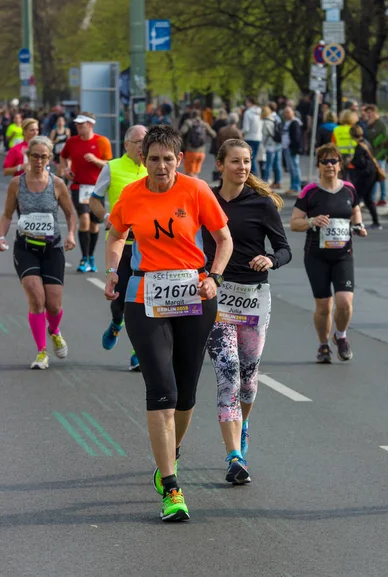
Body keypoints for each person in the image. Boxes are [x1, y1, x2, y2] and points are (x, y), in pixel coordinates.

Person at [104, 125, 233, 521]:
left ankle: (169, 453)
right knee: (161, 388)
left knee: (186, 391)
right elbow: (115, 235)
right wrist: (113, 271)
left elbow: (223, 238)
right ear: (144, 159)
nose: (161, 166)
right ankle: (171, 485)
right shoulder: (131, 194)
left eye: (168, 158)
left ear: (180, 159)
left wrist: (215, 276)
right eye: (154, 158)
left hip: (194, 293)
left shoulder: (195, 190)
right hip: (144, 297)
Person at [202, 139, 291, 484]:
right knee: (228, 374)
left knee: (248, 382)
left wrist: (270, 259)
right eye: (236, 161)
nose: (242, 167)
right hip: (218, 297)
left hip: (254, 298)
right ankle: (234, 456)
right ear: (220, 164)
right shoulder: (206, 199)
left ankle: (243, 423)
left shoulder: (262, 205)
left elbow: (284, 249)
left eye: (247, 161)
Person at [0, 136, 76, 369]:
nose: (39, 160)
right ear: (28, 157)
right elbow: (8, 214)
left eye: (43, 156)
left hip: (53, 248)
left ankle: (55, 330)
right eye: (34, 156)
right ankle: (41, 352)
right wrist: (1, 236)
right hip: (26, 247)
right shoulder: (16, 184)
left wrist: (71, 235)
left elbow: (70, 214)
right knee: (36, 297)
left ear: (50, 158)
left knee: (54, 305)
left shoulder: (57, 183)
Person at [290, 143, 367, 364]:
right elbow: (294, 223)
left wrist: (359, 225)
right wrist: (312, 221)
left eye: (333, 161)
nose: (329, 165)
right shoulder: (310, 192)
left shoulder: (349, 189)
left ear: (340, 165)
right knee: (324, 306)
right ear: (319, 166)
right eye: (325, 161)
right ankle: (323, 345)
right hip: (316, 256)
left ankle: (340, 336)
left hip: (343, 254)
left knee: (344, 302)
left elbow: (355, 208)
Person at [89, 125, 148, 369]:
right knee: (120, 298)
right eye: (137, 142)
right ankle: (116, 323)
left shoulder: (155, 168)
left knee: (144, 300)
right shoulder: (111, 167)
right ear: (126, 145)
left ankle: (138, 351)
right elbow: (94, 198)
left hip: (147, 244)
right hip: (121, 243)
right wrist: (106, 218)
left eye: (145, 141)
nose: (142, 147)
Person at [60, 112, 112, 273]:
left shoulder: (102, 141)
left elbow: (110, 164)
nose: (78, 127)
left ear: (90, 125)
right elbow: (63, 157)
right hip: (78, 186)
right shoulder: (72, 141)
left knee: (95, 224)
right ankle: (84, 258)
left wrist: (96, 160)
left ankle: (91, 257)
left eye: (81, 124)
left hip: (97, 189)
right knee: (84, 220)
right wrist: (66, 169)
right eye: (77, 124)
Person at [349, 125, 382, 230]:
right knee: (368, 199)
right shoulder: (366, 142)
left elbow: (361, 163)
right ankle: (376, 222)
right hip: (372, 174)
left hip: (365, 176)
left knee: (356, 199)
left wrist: (351, 161)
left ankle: (352, 222)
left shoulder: (359, 147)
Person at [180, 109, 216, 177]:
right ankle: (196, 186)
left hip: (190, 151)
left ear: (191, 115)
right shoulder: (204, 124)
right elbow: (213, 134)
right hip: (201, 152)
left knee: (189, 173)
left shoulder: (188, 122)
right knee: (196, 173)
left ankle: (192, 187)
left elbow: (182, 132)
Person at [365, 104, 387, 207]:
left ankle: (379, 198)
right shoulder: (370, 123)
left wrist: (375, 143)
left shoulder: (380, 124)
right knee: (378, 177)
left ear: (374, 112)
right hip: (372, 154)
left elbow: (384, 136)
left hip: (379, 155)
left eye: (370, 112)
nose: (368, 115)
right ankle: (378, 198)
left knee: (379, 177)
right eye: (367, 113)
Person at [331, 109, 358, 177]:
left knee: (340, 178)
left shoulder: (336, 129)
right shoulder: (355, 129)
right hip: (353, 156)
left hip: (340, 156)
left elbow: (333, 144)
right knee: (352, 178)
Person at [282, 106, 302, 195]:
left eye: (288, 112)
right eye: (285, 112)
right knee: (291, 168)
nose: (286, 114)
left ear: (293, 113)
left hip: (291, 149)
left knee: (294, 168)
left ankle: (295, 186)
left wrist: (293, 148)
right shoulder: (286, 123)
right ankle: (293, 186)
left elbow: (296, 138)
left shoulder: (294, 123)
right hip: (287, 148)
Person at [261, 105, 282, 185]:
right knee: (277, 164)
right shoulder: (274, 119)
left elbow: (266, 135)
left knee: (268, 164)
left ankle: (265, 182)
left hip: (270, 145)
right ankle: (278, 181)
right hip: (277, 143)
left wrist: (263, 144)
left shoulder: (266, 121)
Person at [242, 96, 262, 175]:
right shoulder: (260, 111)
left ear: (250, 102)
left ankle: (254, 175)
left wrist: (241, 132)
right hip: (258, 137)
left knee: (250, 158)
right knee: (254, 158)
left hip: (249, 137)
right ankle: (255, 175)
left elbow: (246, 128)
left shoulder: (248, 112)